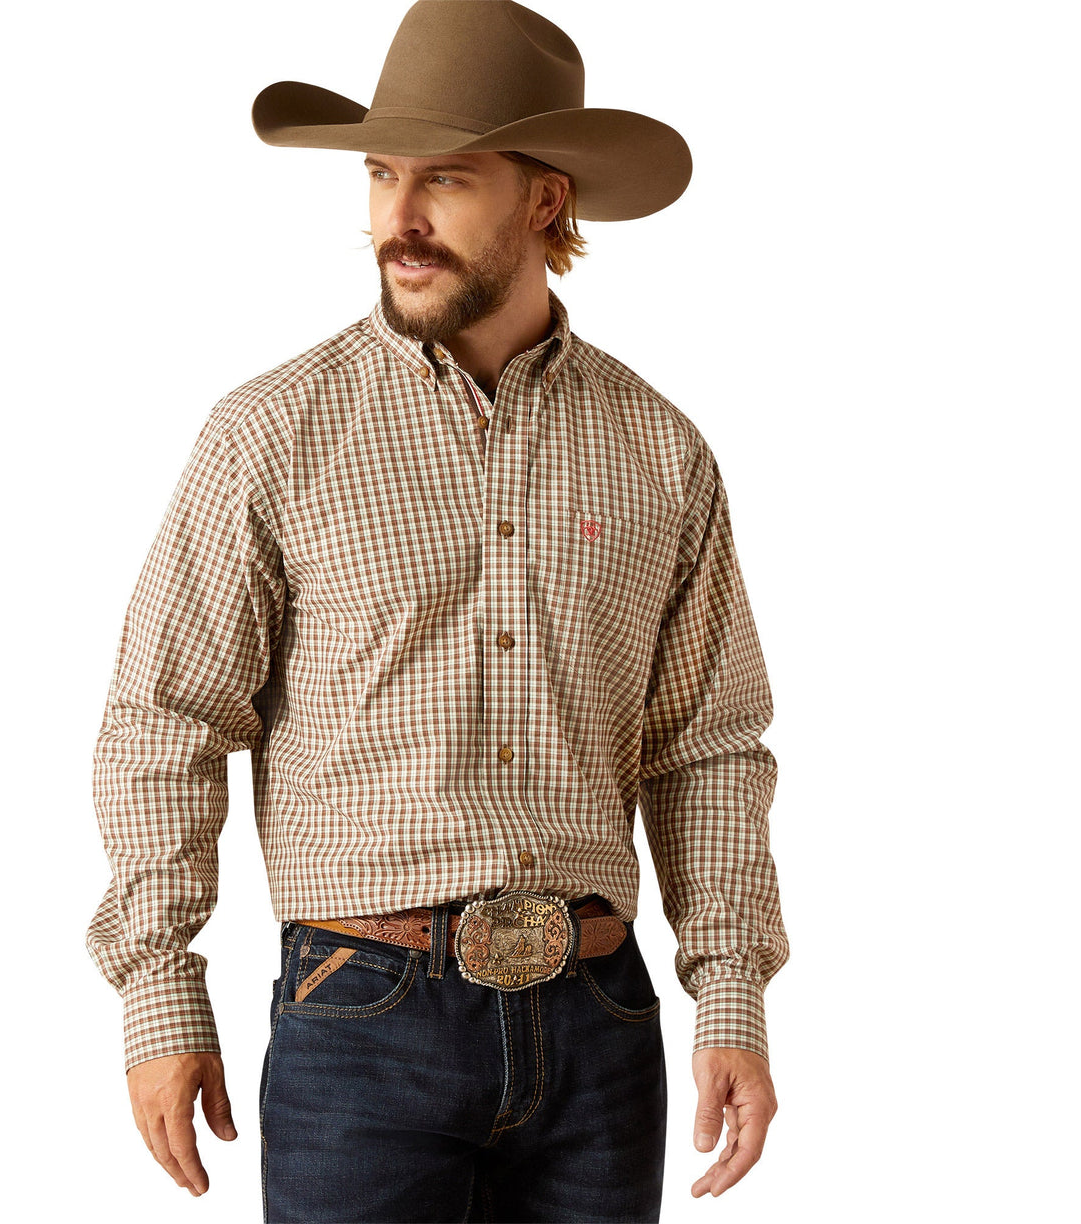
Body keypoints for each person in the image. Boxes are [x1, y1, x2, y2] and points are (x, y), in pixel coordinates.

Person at [85, 3, 790, 1220]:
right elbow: (167, 721)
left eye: (445, 181)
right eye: (380, 175)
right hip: (363, 1017)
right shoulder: (271, 435)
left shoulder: (660, 452)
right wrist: (161, 993)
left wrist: (731, 995)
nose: (396, 219)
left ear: (546, 200)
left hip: (602, 1023)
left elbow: (708, 747)